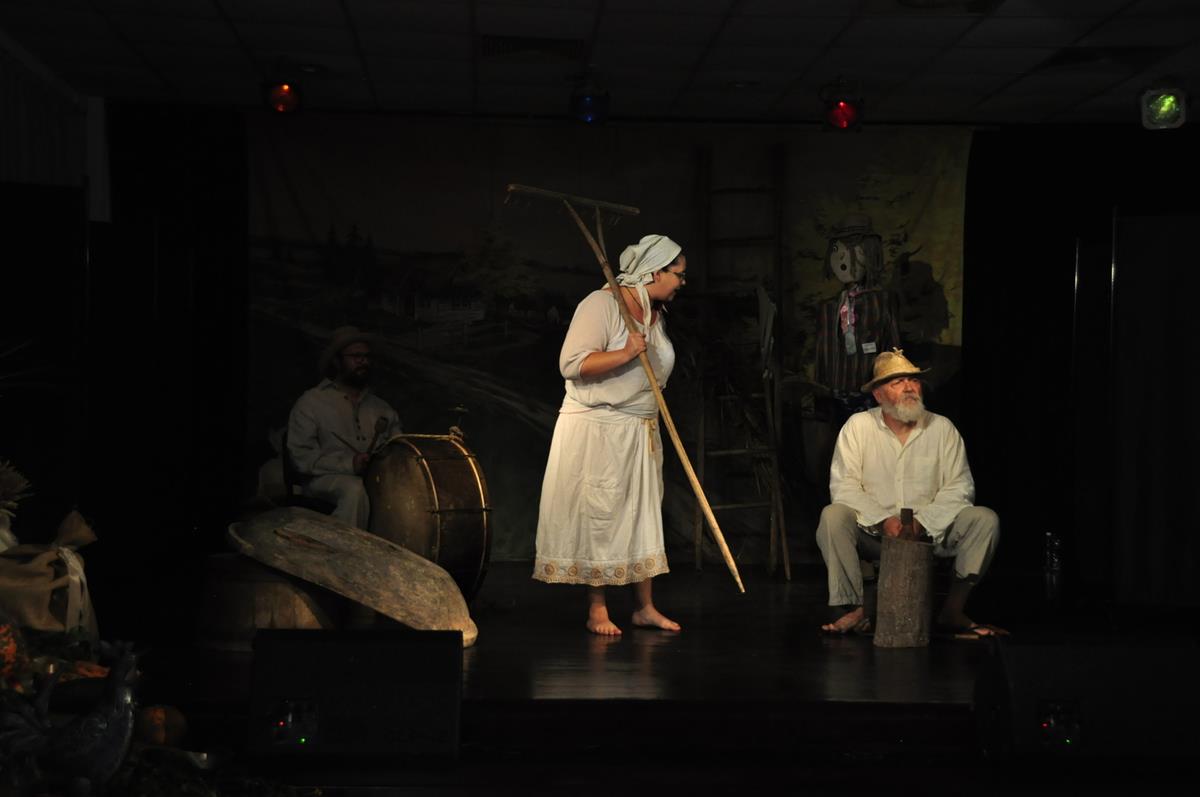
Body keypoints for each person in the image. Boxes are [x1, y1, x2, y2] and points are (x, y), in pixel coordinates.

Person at [533, 234, 687, 636]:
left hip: (639, 428)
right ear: (654, 272)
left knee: (642, 515)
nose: (682, 282)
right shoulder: (602, 304)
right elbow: (571, 364)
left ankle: (644, 607)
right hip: (599, 427)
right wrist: (624, 353)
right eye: (678, 274)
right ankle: (597, 609)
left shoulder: (654, 312)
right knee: (599, 515)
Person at [815, 348, 1005, 639]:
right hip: (876, 536)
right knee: (833, 516)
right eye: (897, 382)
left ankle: (953, 610)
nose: (908, 387)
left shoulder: (942, 429)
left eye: (913, 380)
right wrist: (883, 520)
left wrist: (923, 523)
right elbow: (844, 487)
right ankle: (856, 608)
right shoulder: (858, 427)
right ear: (878, 394)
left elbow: (959, 487)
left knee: (984, 519)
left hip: (931, 536)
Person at [286, 326, 402, 528]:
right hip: (323, 480)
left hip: (373, 480)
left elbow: (398, 449)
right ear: (336, 361)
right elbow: (302, 458)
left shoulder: (382, 408)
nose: (363, 361)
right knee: (353, 489)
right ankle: (343, 547)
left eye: (367, 356)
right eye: (356, 356)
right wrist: (349, 465)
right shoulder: (311, 403)